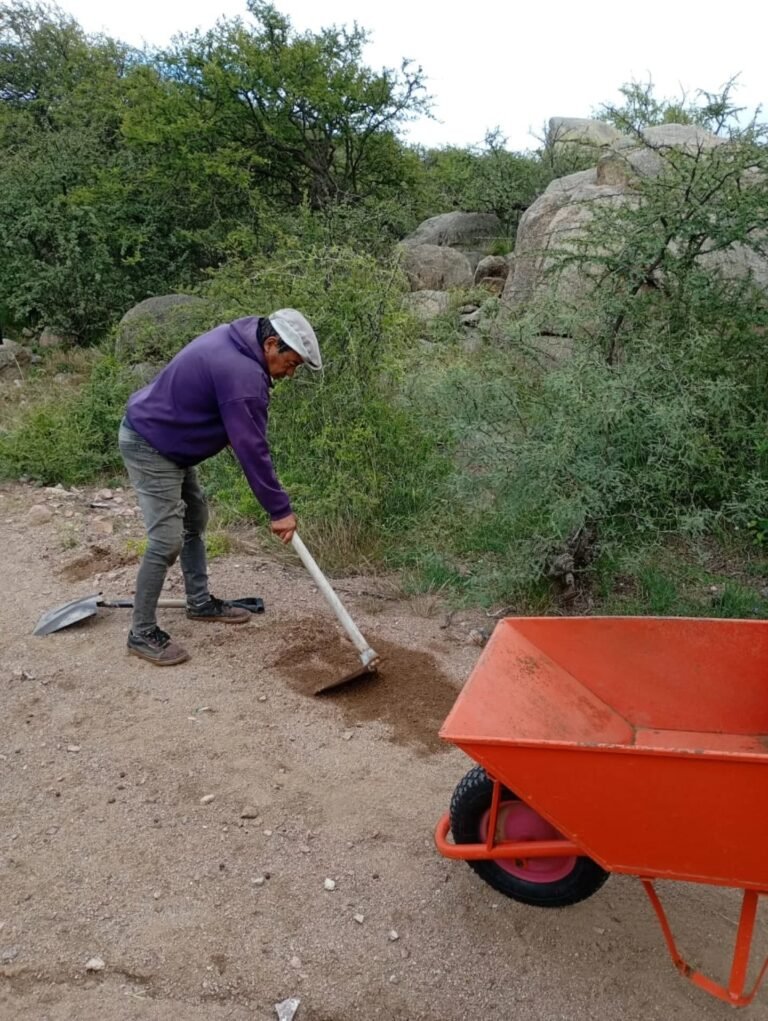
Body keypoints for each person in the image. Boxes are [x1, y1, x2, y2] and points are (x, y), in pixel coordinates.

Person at [118, 309, 321, 666]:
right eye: (292, 363)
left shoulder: (239, 338)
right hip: (150, 443)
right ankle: (142, 632)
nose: (290, 373)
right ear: (271, 344)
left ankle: (198, 602)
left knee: (194, 520)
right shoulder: (243, 374)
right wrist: (280, 511)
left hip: (171, 439)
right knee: (167, 539)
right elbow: (252, 450)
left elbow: (230, 420)